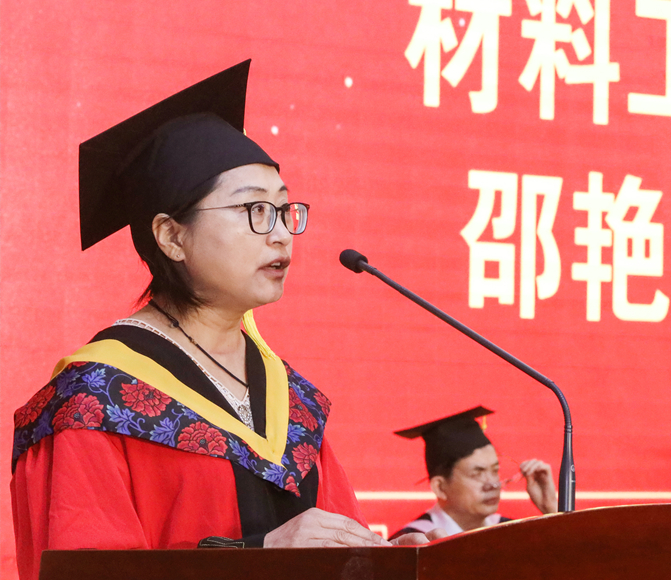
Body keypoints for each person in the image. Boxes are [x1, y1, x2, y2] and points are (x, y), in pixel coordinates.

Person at [11, 60, 435, 580]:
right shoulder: (93, 402)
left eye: (284, 210)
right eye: (253, 210)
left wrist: (379, 558)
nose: (280, 234)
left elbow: (333, 541)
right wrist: (256, 555)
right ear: (171, 236)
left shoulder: (292, 402)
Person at [390, 407, 557, 538]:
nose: (493, 484)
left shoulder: (511, 533)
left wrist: (551, 509)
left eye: (495, 470)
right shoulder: (413, 544)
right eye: (477, 473)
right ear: (440, 487)